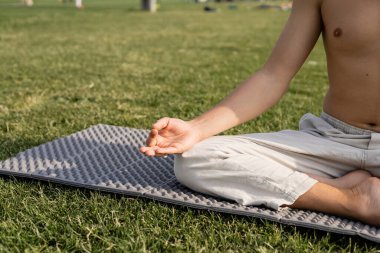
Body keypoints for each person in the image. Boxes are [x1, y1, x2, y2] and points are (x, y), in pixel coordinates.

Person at [140, 0, 380, 226]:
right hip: (332, 138)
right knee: (197, 158)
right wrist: (197, 128)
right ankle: (351, 198)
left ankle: (328, 186)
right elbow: (273, 76)